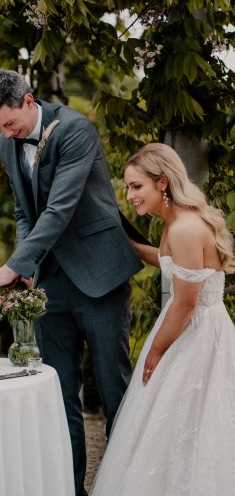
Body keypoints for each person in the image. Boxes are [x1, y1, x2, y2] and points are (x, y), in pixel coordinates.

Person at [0, 69, 143, 496]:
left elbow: (60, 209)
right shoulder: (6, 141)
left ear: (29, 100)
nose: (8, 135)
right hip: (49, 283)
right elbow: (24, 212)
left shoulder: (75, 129)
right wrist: (27, 266)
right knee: (58, 394)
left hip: (100, 276)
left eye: (10, 124)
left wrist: (10, 268)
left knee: (113, 389)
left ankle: (127, 485)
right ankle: (70, 489)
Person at [91, 142, 235, 496]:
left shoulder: (185, 228)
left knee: (190, 421)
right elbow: (171, 262)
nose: (130, 196)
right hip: (185, 326)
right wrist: (123, 239)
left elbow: (185, 303)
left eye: (136, 186)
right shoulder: (177, 223)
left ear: (163, 182)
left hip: (196, 333)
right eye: (127, 187)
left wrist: (155, 351)